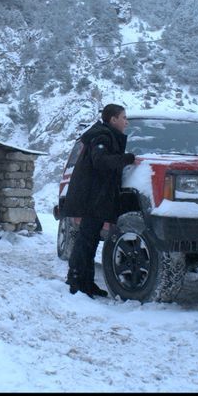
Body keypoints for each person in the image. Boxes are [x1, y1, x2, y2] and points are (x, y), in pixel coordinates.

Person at [63, 104, 136, 298]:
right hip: (92, 198)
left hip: (96, 197)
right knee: (86, 240)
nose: (126, 122)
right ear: (113, 119)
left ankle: (85, 282)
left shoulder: (104, 134)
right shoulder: (102, 136)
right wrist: (127, 159)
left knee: (91, 240)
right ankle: (76, 281)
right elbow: (100, 161)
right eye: (124, 118)